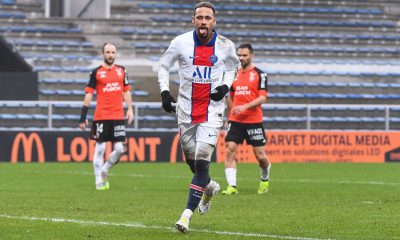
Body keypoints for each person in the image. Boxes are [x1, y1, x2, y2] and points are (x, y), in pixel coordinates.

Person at [158, 2, 239, 233]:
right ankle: (210, 187)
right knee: (191, 162)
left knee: (202, 161)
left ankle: (185, 217)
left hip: (212, 112)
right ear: (193, 20)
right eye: (199, 17)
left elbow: (233, 69)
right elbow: (163, 66)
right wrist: (165, 92)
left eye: (207, 18)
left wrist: (225, 86)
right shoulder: (180, 42)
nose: (203, 22)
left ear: (214, 21)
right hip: (185, 110)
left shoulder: (225, 45)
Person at [79, 42, 134, 191]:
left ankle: (105, 169)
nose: (111, 55)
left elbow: (126, 91)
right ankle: (99, 181)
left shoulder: (122, 71)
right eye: (108, 52)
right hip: (101, 116)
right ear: (102, 54)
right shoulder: (96, 72)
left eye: (113, 52)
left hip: (117, 116)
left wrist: (130, 109)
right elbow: (89, 94)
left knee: (119, 149)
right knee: (100, 148)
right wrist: (83, 116)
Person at [221, 43, 271, 195]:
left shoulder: (260, 75)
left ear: (252, 56)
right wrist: (230, 114)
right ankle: (232, 186)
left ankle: (264, 179)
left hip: (253, 120)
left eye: (244, 55)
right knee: (230, 151)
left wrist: (245, 107)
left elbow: (263, 98)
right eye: (239, 55)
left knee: (260, 156)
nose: (241, 58)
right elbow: (229, 96)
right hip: (236, 120)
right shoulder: (233, 74)